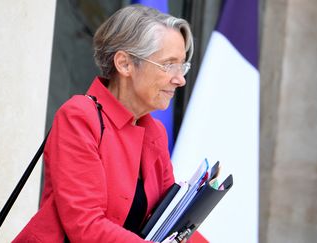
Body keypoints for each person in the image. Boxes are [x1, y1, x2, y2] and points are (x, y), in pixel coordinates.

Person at [13, 4, 193, 243]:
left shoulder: (154, 131)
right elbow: (86, 226)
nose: (180, 79)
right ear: (125, 64)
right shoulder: (79, 117)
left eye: (182, 66)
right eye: (169, 65)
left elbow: (168, 219)